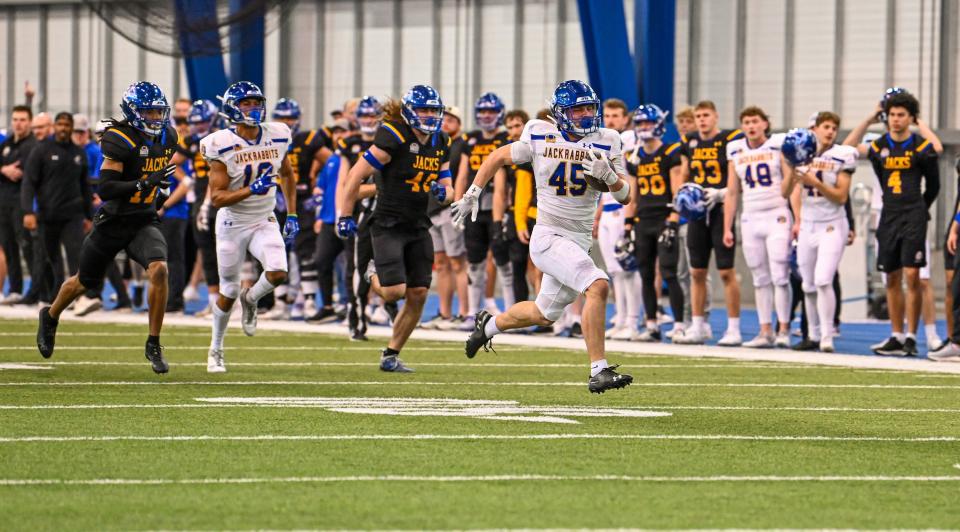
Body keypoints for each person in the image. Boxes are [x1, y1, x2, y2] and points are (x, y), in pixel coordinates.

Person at [454, 79, 633, 394]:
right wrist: (473, 191)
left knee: (543, 313)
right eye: (578, 109)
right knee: (598, 284)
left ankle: (489, 325)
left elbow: (625, 196)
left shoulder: (608, 139)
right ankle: (599, 370)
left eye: (590, 107)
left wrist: (610, 178)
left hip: (578, 239)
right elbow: (497, 156)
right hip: (549, 234)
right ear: (562, 113)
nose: (586, 114)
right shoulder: (539, 133)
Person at [36, 81, 180, 373]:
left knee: (160, 269)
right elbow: (106, 187)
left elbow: (158, 184)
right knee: (83, 282)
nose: (155, 118)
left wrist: (158, 195)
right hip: (113, 220)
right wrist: (144, 182)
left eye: (158, 111)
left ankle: (153, 341)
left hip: (143, 219)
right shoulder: (119, 138)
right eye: (149, 112)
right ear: (134, 112)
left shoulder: (169, 137)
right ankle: (50, 316)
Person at [337, 85, 455, 373]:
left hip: (418, 225)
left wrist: (444, 194)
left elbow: (449, 187)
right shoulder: (394, 136)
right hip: (388, 223)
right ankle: (371, 272)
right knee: (393, 292)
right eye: (424, 110)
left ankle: (391, 353)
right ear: (409, 112)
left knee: (418, 294)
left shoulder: (441, 141)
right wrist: (345, 213)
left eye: (433, 110)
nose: (429, 116)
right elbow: (355, 175)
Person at [202, 81, 299, 373]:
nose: (253, 108)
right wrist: (249, 190)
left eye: (256, 103)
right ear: (232, 107)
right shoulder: (219, 143)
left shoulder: (278, 134)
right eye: (246, 103)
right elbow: (218, 198)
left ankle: (252, 298)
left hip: (264, 218)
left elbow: (288, 175)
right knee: (228, 290)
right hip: (232, 221)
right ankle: (216, 349)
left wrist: (292, 214)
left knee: (279, 271)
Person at [844, 89, 940, 356]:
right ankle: (896, 335)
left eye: (901, 115)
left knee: (913, 274)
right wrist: (869, 119)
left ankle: (911, 335)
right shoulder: (880, 145)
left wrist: (921, 208)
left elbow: (934, 181)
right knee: (891, 276)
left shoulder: (919, 145)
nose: (896, 120)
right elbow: (848, 148)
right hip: (888, 214)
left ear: (909, 118)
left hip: (913, 213)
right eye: (892, 115)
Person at [781, 112, 855, 352]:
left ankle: (826, 336)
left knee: (824, 280)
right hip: (809, 224)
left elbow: (841, 197)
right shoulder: (802, 154)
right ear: (815, 129)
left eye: (834, 127)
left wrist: (817, 183)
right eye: (826, 126)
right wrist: (793, 169)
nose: (830, 131)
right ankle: (812, 335)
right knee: (807, 285)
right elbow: (785, 192)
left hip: (832, 223)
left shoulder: (843, 154)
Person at [723, 106, 795, 348]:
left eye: (755, 121)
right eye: (746, 122)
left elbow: (789, 185)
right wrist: (727, 227)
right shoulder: (735, 149)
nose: (751, 126)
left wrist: (798, 218)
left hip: (777, 214)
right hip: (751, 216)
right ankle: (765, 330)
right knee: (759, 278)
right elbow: (732, 191)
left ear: (765, 123)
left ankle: (784, 328)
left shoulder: (778, 144)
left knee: (780, 276)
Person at [674, 101, 744, 346]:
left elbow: (740, 180)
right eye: (699, 116)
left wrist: (722, 193)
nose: (702, 119)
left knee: (726, 271)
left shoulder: (730, 140)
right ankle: (698, 325)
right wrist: (680, 197)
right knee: (697, 272)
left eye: (706, 115)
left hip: (721, 210)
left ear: (715, 117)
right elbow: (684, 174)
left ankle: (733, 327)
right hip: (696, 212)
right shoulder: (690, 141)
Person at [622, 103, 685, 342]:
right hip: (643, 220)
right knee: (646, 274)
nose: (644, 127)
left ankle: (679, 325)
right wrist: (627, 226)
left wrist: (673, 220)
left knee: (669, 273)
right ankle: (651, 325)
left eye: (648, 122)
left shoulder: (670, 152)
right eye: (640, 123)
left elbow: (677, 191)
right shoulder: (634, 157)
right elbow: (632, 195)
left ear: (658, 124)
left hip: (663, 218)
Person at [272, 98, 333, 319]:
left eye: (290, 117)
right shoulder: (268, 138)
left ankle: (308, 300)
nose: (286, 122)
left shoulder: (307, 138)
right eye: (282, 117)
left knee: (306, 251)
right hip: (276, 199)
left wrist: (320, 189)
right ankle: (280, 302)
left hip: (302, 200)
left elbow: (333, 163)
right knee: (276, 252)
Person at [20, 111, 93, 295]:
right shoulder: (41, 150)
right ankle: (53, 296)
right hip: (47, 215)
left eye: (67, 125)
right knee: (50, 259)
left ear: (71, 128)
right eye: (60, 124)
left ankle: (79, 298)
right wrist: (28, 211)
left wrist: (89, 216)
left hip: (73, 216)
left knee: (76, 257)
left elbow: (85, 187)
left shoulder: (79, 153)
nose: (63, 128)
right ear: (55, 126)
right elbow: (29, 182)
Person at [454, 92, 513, 317]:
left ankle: (509, 313)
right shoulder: (472, 139)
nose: (486, 116)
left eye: (491, 111)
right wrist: (459, 204)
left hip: (497, 209)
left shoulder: (504, 140)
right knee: (475, 263)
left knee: (503, 261)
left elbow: (502, 181)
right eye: (483, 112)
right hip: (473, 209)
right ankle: (471, 313)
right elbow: (462, 174)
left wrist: (502, 212)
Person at [337, 96, 385, 340]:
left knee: (391, 266)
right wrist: (341, 213)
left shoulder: (389, 141)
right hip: (363, 213)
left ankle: (389, 309)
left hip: (390, 213)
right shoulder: (351, 143)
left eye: (372, 115)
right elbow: (346, 184)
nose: (369, 120)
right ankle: (356, 318)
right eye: (364, 115)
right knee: (357, 267)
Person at [422, 105, 470, 331]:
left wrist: (458, 207)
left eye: (452, 119)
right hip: (432, 210)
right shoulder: (437, 143)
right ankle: (444, 313)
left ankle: (464, 312)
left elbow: (460, 178)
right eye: (445, 118)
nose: (447, 122)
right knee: (440, 263)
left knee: (457, 262)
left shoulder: (461, 145)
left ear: (459, 123)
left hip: (449, 209)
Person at [182, 99, 221, 316]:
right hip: (200, 196)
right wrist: (185, 180)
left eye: (203, 122)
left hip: (221, 194)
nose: (199, 127)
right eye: (195, 123)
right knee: (206, 249)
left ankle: (232, 300)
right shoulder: (190, 142)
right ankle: (215, 302)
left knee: (227, 250)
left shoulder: (223, 138)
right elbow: (170, 160)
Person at [311, 119, 351, 323]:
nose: (339, 136)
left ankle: (354, 305)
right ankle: (327, 306)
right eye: (336, 132)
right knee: (322, 261)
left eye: (343, 132)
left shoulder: (353, 156)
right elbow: (321, 189)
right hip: (328, 218)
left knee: (354, 265)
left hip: (348, 217)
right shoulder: (331, 160)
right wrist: (319, 216)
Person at [0, 105, 37, 304]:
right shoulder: (6, 144)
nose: (18, 123)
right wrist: (4, 169)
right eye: (15, 119)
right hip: (3, 200)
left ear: (29, 122)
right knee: (8, 245)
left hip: (22, 202)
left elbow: (27, 172)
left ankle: (36, 289)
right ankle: (15, 288)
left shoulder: (32, 145)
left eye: (22, 119)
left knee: (27, 246)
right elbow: (6, 168)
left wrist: (14, 171)